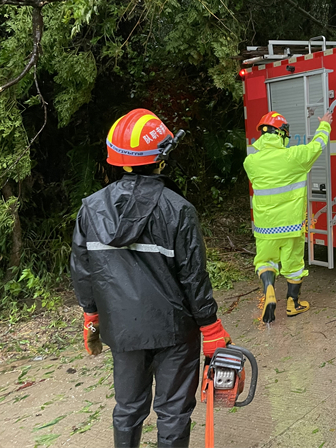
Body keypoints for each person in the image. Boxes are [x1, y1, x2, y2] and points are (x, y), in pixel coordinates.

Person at [71, 108, 231, 448]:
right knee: (173, 412)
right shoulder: (177, 209)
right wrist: (211, 327)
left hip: (122, 329)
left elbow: (83, 270)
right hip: (174, 331)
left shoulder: (91, 208)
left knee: (128, 408)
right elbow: (193, 277)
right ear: (161, 158)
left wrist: (91, 316)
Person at [243, 110, 332, 323]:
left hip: (265, 228)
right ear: (282, 133)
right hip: (291, 226)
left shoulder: (251, 162)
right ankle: (293, 304)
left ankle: (270, 290)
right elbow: (317, 145)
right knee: (293, 265)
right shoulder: (294, 157)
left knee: (265, 261)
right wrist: (324, 125)